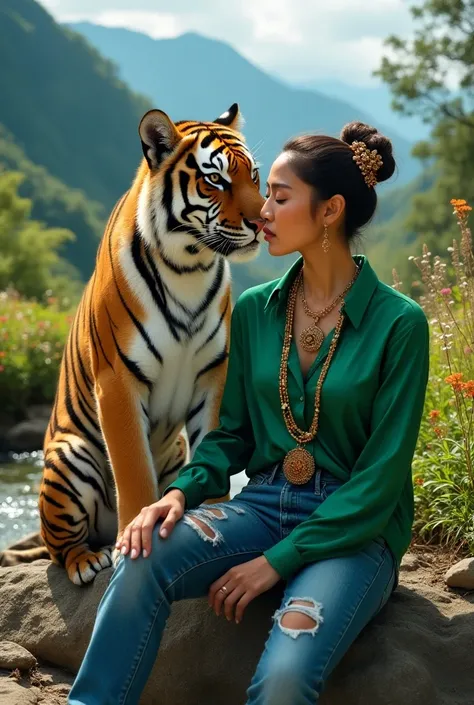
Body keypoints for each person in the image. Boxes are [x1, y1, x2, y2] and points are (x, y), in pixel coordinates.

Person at [68, 121, 430, 705]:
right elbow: (228, 437)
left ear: (330, 211)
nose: (261, 208)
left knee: (285, 678)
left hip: (355, 531)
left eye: (280, 196)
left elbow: (381, 481)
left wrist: (273, 565)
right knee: (139, 558)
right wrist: (179, 493)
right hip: (262, 504)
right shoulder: (258, 309)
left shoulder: (400, 324)